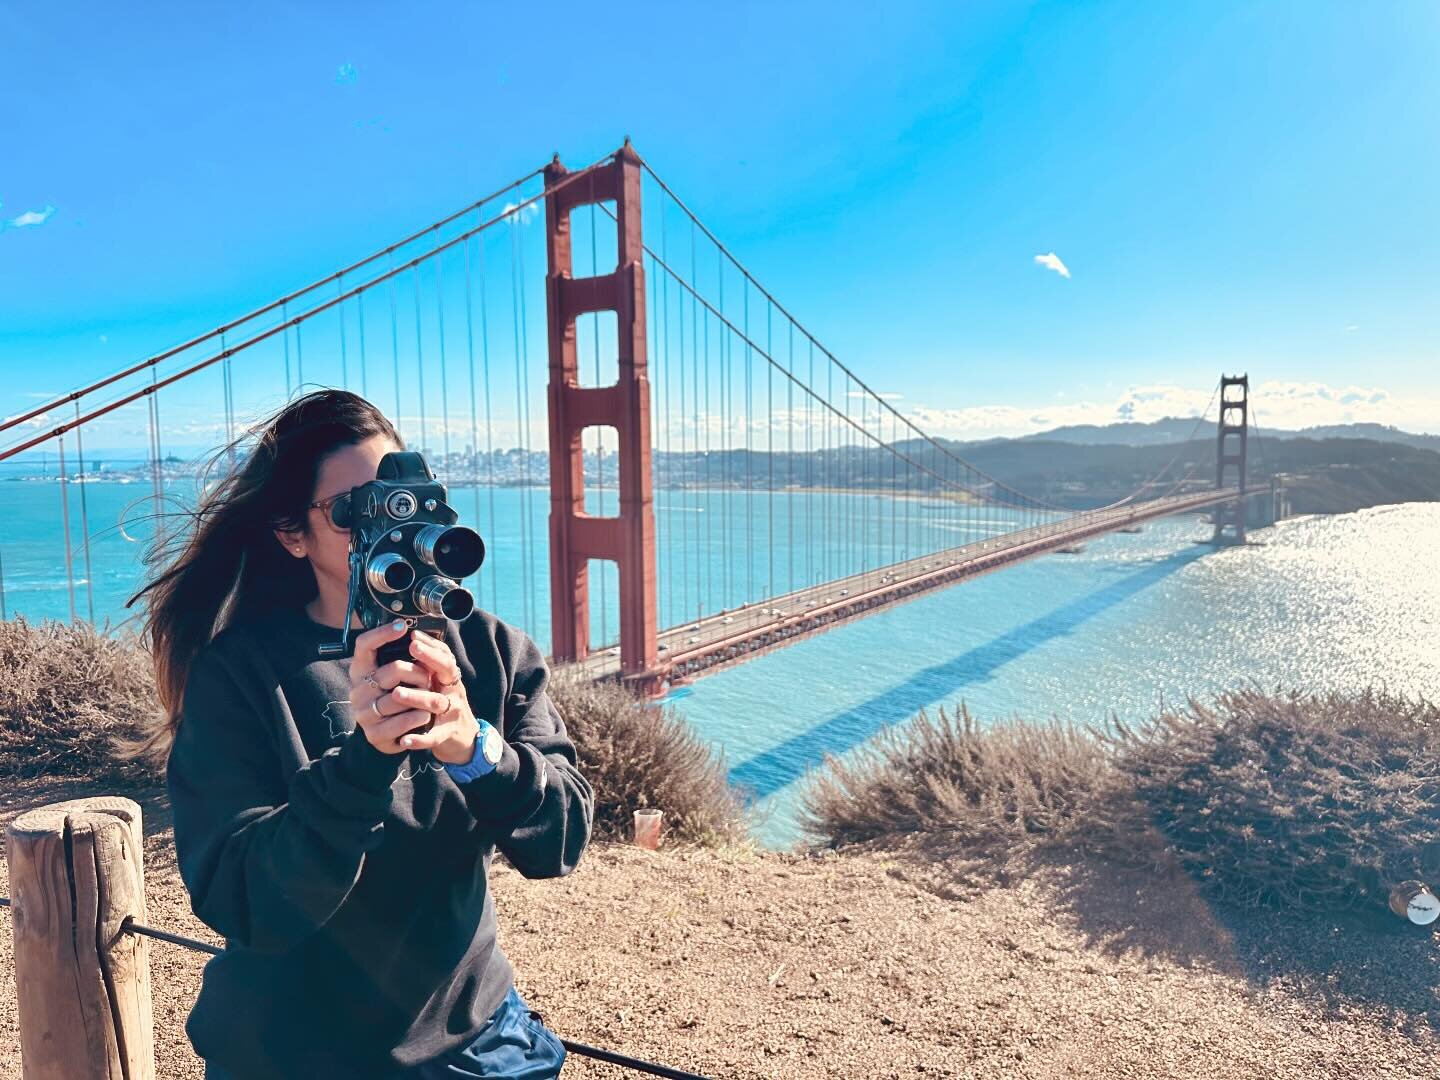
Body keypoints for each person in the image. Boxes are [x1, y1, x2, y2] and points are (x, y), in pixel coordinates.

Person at [120, 388, 593, 1079]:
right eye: (353, 513)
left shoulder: (491, 653)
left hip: (469, 1046)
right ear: (291, 532)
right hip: (291, 1057)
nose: (389, 532)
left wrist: (474, 747)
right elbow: (242, 900)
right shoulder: (243, 677)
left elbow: (561, 840)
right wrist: (362, 763)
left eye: (405, 504)